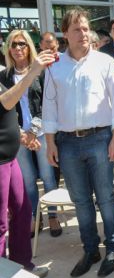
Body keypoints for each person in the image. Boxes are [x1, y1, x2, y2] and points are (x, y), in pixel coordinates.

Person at [43, 8, 114, 278]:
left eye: (86, 28)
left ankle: (113, 248)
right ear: (65, 33)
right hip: (67, 143)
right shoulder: (55, 67)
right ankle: (91, 249)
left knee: (106, 196)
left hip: (100, 138)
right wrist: (51, 142)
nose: (84, 34)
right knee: (80, 200)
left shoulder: (105, 62)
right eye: (77, 29)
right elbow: (50, 107)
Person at [0, 48, 53, 278]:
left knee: (22, 211)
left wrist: (20, 134)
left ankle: (22, 266)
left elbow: (4, 115)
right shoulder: (8, 76)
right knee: (0, 227)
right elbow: (5, 102)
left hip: (10, 158)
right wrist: (32, 72)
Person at [0, 31, 61, 238]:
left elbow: (49, 104)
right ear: (8, 49)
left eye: (22, 44)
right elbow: (4, 108)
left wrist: (33, 132)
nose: (18, 48)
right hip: (17, 138)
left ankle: (52, 215)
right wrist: (21, 134)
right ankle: (35, 216)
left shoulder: (42, 71)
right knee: (27, 181)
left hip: (41, 133)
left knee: (48, 177)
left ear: (29, 47)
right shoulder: (3, 76)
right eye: (14, 44)